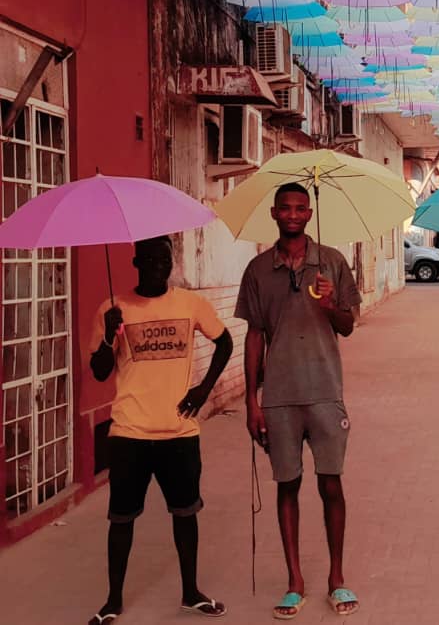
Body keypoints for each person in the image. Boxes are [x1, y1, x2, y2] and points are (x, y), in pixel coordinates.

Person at [87, 235, 232, 625]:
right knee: (121, 519)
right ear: (136, 263)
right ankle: (113, 601)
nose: (159, 267)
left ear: (172, 263)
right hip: (129, 433)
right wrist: (109, 334)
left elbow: (225, 342)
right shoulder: (113, 309)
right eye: (150, 260)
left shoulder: (190, 304)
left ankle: (191, 593)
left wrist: (203, 390)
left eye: (165, 260)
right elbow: (99, 371)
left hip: (178, 433)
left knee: (185, 514)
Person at [237, 183, 363, 619]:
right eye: (285, 208)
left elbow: (347, 325)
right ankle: (294, 582)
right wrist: (251, 401)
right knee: (286, 485)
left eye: (300, 209)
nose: (292, 214)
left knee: (331, 484)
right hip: (279, 398)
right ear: (274, 214)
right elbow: (254, 336)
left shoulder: (332, 262)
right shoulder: (258, 270)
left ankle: (336, 578)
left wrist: (329, 304)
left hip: (325, 392)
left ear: (310, 214)